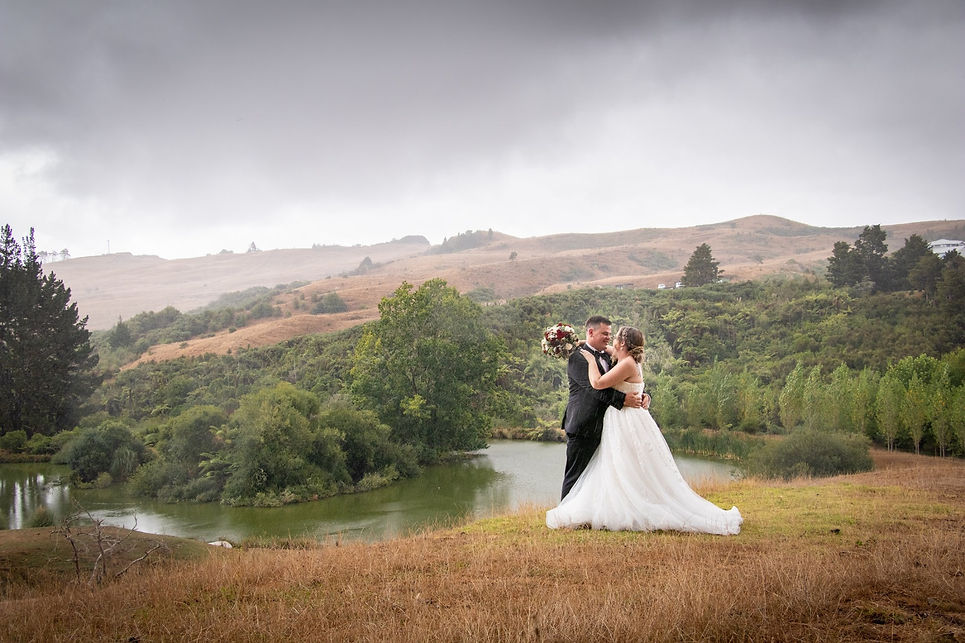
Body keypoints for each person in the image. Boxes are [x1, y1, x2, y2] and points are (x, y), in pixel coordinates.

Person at [547, 325, 742, 534]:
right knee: (617, 466)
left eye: (614, 336)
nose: (611, 339)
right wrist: (577, 343)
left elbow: (597, 382)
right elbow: (602, 350)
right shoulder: (625, 357)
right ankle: (610, 507)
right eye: (606, 334)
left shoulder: (627, 363)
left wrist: (590, 360)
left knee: (627, 466)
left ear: (622, 343)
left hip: (626, 421)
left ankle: (631, 508)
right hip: (618, 421)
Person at [559, 316, 645, 500]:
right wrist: (623, 400)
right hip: (583, 425)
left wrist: (643, 394)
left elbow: (626, 378)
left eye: (610, 334)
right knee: (575, 476)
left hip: (608, 427)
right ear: (591, 332)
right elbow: (594, 390)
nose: (608, 337)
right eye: (604, 334)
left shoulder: (610, 355)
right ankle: (565, 514)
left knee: (598, 477)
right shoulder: (577, 357)